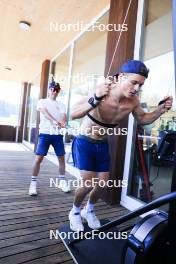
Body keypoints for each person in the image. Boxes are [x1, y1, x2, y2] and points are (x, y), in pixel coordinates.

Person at [68, 60, 173, 232]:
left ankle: (90, 210)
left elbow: (143, 119)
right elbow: (72, 113)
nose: (136, 88)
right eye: (134, 82)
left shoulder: (133, 102)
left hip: (102, 144)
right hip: (85, 141)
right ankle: (75, 211)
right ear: (122, 76)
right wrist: (94, 99)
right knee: (88, 184)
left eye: (140, 85)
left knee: (102, 184)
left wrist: (160, 110)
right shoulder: (102, 89)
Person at [29, 81, 70, 195]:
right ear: (49, 90)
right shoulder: (42, 102)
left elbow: (63, 117)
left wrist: (62, 122)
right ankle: (33, 184)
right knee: (39, 158)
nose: (54, 91)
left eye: (56, 89)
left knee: (61, 158)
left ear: (58, 91)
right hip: (45, 134)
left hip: (57, 135)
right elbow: (45, 113)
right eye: (52, 89)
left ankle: (62, 182)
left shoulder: (61, 104)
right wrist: (55, 121)